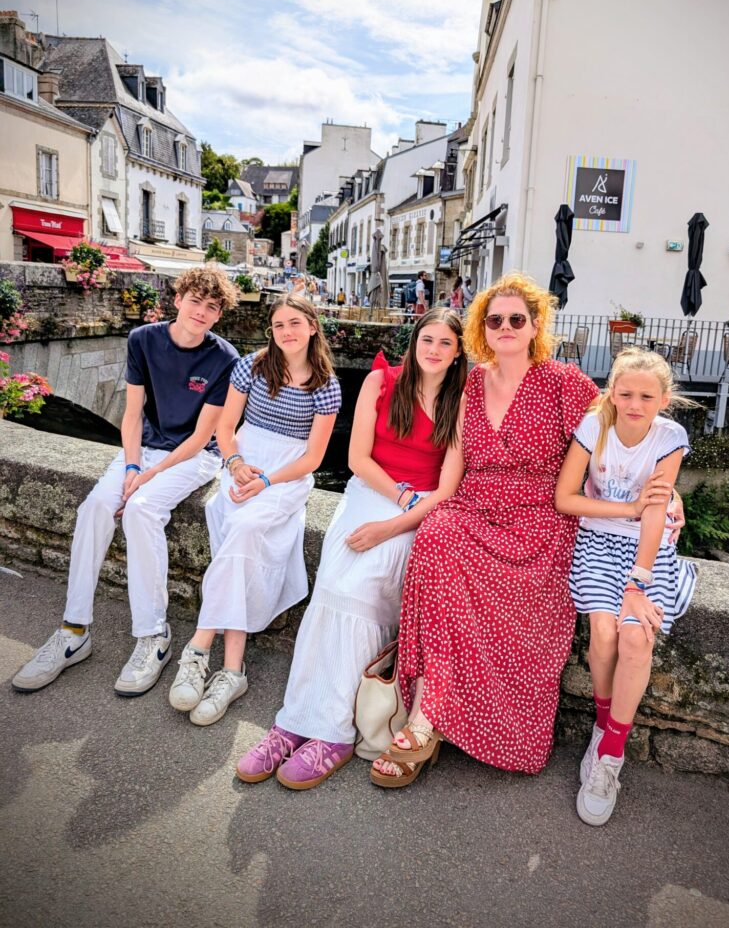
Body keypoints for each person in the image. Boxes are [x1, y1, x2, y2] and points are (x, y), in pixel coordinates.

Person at [371, 272, 600, 786]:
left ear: (535, 324)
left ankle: (453, 725)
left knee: (512, 605)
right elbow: (452, 469)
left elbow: (612, 448)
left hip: (541, 520)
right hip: (474, 507)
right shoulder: (471, 383)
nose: (505, 327)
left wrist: (662, 491)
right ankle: (427, 717)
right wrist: (405, 519)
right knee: (435, 536)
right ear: (483, 327)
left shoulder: (565, 383)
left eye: (517, 318)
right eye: (494, 319)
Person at [234, 309, 467, 788]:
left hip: (418, 512)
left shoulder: (461, 401)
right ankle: (294, 721)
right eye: (428, 340)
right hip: (371, 492)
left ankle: (334, 730)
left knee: (359, 586)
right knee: (333, 586)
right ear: (414, 342)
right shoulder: (380, 381)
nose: (434, 351)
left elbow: (447, 488)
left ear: (458, 351)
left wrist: (394, 524)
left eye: (445, 343)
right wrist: (394, 498)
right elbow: (357, 459)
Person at [12, 268, 240, 695]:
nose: (202, 312)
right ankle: (73, 630)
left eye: (212, 307)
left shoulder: (224, 358)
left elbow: (200, 438)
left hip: (194, 458)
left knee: (141, 509)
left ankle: (154, 636)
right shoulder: (143, 340)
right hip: (144, 449)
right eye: (195, 301)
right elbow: (132, 413)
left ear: (218, 315)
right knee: (96, 506)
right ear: (178, 299)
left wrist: (148, 477)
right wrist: (133, 467)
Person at [168, 294, 341, 725]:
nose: (287, 332)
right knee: (239, 534)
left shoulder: (326, 385)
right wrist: (236, 464)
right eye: (279, 324)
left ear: (312, 327)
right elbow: (226, 428)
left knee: (243, 531)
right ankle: (232, 670)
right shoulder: (251, 365)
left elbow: (314, 458)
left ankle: (198, 646)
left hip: (287, 473)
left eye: (295, 323)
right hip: (244, 459)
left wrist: (266, 480)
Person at [554, 348, 696, 825]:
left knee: (636, 636)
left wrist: (639, 582)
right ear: (611, 390)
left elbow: (656, 509)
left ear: (664, 398)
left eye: (647, 396)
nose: (635, 404)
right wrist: (627, 508)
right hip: (596, 543)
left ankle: (610, 754)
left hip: (647, 552)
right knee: (605, 633)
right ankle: (602, 722)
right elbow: (565, 498)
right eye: (626, 392)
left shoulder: (669, 436)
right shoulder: (593, 427)